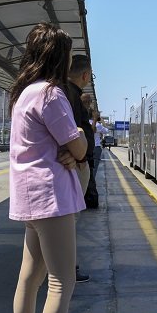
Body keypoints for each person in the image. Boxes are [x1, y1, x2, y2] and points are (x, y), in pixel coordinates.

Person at [9, 22, 87, 313]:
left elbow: (58, 145)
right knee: (61, 282)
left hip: (30, 198)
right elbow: (79, 147)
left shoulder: (24, 93)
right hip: (52, 198)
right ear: (59, 56)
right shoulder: (51, 94)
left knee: (30, 276)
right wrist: (80, 135)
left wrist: (70, 147)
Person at [65, 54, 95, 283]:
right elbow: (74, 132)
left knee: (69, 219)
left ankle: (65, 267)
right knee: (70, 219)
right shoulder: (70, 95)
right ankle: (67, 269)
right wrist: (79, 157)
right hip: (76, 164)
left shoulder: (65, 93)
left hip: (76, 162)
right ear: (85, 75)